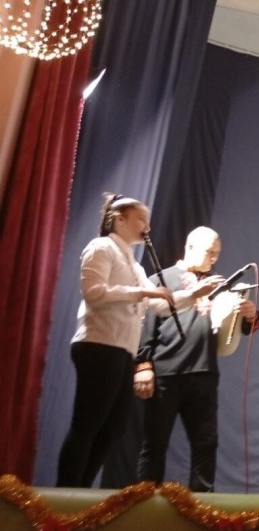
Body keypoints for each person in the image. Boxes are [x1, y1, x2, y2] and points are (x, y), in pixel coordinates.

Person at [56, 194, 176, 487]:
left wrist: (196, 295)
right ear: (119, 219)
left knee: (113, 429)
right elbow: (94, 292)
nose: (147, 226)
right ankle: (65, 493)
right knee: (88, 423)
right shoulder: (101, 247)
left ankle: (81, 491)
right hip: (98, 344)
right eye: (141, 219)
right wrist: (143, 292)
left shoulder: (136, 266)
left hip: (122, 350)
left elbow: (159, 304)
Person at [134, 226, 259, 492]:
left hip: (204, 372)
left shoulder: (219, 284)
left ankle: (202, 503)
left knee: (206, 443)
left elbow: (233, 327)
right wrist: (144, 365)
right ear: (189, 248)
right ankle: (144, 499)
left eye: (217, 253)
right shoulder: (161, 279)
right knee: (155, 443)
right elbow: (145, 325)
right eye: (208, 252)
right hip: (165, 372)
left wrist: (249, 315)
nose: (213, 258)